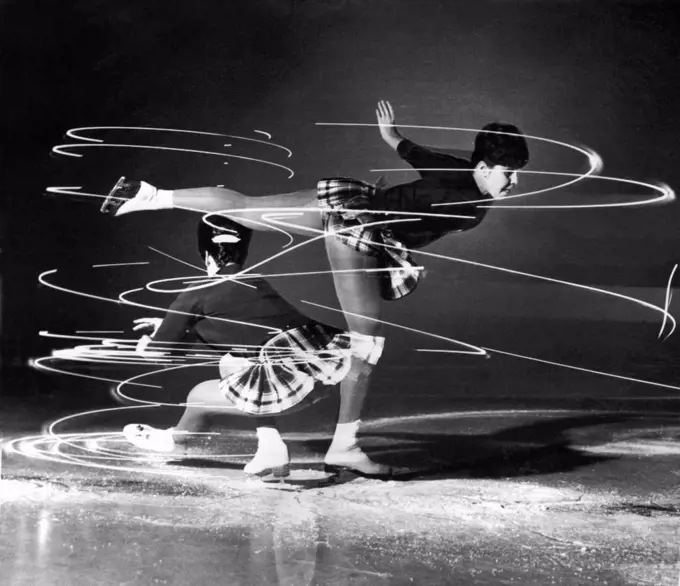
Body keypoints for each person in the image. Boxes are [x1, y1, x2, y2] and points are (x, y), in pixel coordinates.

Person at [105, 100, 530, 476]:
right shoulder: (467, 201)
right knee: (365, 349)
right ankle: (345, 448)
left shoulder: (459, 175)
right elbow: (415, 189)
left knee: (246, 208)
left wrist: (392, 136)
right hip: (359, 231)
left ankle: (149, 195)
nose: (513, 183)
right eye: (508, 173)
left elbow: (416, 153)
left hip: (347, 205)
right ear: (483, 168)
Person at [124, 215, 386, 479]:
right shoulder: (256, 283)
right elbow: (234, 332)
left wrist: (150, 341)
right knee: (230, 361)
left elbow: (158, 354)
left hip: (287, 392)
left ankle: (176, 441)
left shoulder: (195, 293)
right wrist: (171, 326)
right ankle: (271, 449)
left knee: (198, 396)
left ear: (206, 256)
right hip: (327, 377)